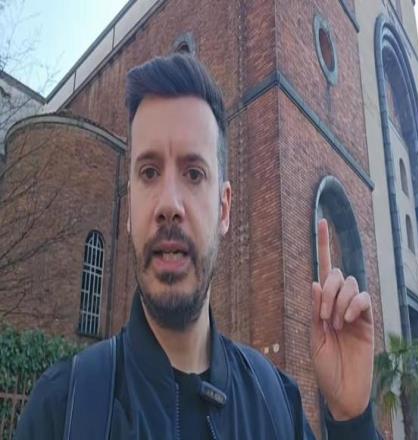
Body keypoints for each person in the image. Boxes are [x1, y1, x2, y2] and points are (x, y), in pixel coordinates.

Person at [16, 54, 379, 439]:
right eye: (149, 172)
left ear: (224, 208)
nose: (169, 204)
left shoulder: (276, 405)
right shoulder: (61, 409)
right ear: (129, 207)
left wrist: (351, 420)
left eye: (193, 174)